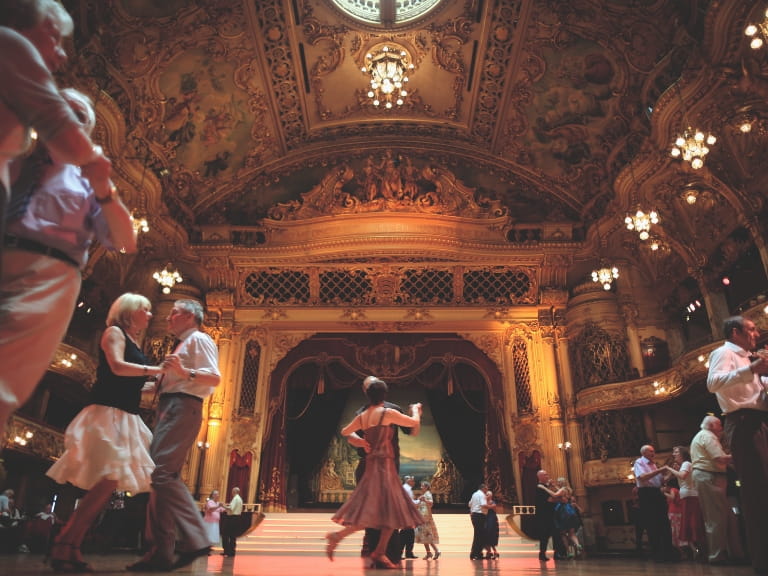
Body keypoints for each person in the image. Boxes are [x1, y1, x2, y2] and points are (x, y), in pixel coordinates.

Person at [0, 0, 115, 437]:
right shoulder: (11, 46)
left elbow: (119, 237)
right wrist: (93, 160)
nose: (62, 55)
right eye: (53, 38)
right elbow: (58, 127)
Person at [45, 292, 162, 571]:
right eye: (144, 310)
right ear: (129, 312)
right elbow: (117, 368)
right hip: (106, 414)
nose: (150, 315)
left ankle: (70, 544)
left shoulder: (133, 340)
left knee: (106, 486)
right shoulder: (114, 333)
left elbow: (133, 384)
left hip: (125, 416)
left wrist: (158, 385)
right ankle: (66, 541)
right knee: (105, 484)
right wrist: (155, 369)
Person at [128, 299, 221, 572]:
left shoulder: (199, 339)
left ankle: (196, 537)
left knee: (160, 475)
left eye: (175, 313)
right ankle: (160, 552)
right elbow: (159, 385)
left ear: (191, 316)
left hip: (183, 406)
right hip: (169, 406)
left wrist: (184, 371)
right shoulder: (181, 345)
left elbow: (213, 378)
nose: (168, 317)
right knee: (160, 480)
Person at [325, 378, 423, 569]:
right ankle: (341, 537)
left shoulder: (363, 415)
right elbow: (413, 424)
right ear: (384, 394)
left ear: (367, 393)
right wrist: (416, 411)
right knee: (387, 513)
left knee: (389, 514)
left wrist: (362, 441)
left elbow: (345, 431)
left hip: (374, 467)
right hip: (384, 468)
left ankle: (377, 551)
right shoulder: (387, 413)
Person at [707, 315, 768, 575]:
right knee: (757, 493)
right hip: (743, 422)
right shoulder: (724, 352)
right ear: (735, 332)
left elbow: (757, 393)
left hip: (759, 419)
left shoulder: (750, 358)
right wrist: (752, 370)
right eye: (751, 329)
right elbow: (713, 383)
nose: (756, 333)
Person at [690, 414, 733, 565]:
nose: (721, 428)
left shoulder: (701, 436)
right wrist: (738, 455)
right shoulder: (708, 436)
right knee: (716, 517)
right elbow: (719, 458)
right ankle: (718, 555)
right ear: (712, 426)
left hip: (705, 476)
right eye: (720, 425)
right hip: (710, 476)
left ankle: (719, 553)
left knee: (713, 516)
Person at [633, 444, 675, 562]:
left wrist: (671, 472)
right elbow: (642, 477)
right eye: (651, 451)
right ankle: (657, 553)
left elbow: (661, 480)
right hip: (646, 494)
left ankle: (667, 552)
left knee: (664, 522)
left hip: (656, 493)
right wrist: (661, 470)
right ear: (644, 453)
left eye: (653, 451)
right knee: (652, 523)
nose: (653, 453)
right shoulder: (639, 463)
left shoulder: (653, 464)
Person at [665, 445, 703, 560]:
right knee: (689, 524)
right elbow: (666, 479)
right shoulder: (683, 465)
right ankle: (697, 550)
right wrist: (673, 470)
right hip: (687, 496)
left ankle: (699, 550)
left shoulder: (686, 463)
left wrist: (669, 468)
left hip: (690, 496)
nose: (674, 454)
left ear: (682, 454)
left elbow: (682, 475)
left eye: (676, 452)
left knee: (692, 524)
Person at [535, 470, 565, 561]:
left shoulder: (546, 487)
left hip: (550, 514)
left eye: (547, 474)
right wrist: (560, 500)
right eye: (545, 475)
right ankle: (543, 554)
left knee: (555, 534)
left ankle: (557, 553)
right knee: (545, 535)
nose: (547, 476)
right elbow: (550, 500)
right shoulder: (539, 488)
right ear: (540, 477)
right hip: (544, 515)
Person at [415, 480, 440, 560]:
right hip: (422, 517)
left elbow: (431, 503)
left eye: (422, 486)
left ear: (426, 487)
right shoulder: (425, 494)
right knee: (424, 536)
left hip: (425, 518)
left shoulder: (428, 494)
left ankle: (436, 550)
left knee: (427, 535)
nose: (421, 487)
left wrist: (424, 500)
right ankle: (429, 553)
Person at [220, 487, 243, 557]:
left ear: (234, 492)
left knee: (225, 534)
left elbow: (231, 508)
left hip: (232, 518)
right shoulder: (239, 499)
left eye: (232, 491)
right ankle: (232, 552)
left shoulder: (235, 499)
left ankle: (226, 551)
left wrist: (223, 506)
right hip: (237, 518)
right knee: (233, 536)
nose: (231, 493)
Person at [399, 475, 418, 559]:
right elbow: (409, 502)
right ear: (408, 481)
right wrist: (418, 501)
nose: (414, 482)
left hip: (407, 513)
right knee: (405, 534)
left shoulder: (407, 488)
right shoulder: (406, 489)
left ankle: (408, 552)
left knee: (409, 533)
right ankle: (401, 553)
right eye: (412, 480)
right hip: (406, 514)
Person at [468, 481, 488, 560]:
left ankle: (476, 553)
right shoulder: (482, 495)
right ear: (483, 488)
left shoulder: (474, 494)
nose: (487, 489)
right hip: (479, 516)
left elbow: (469, 504)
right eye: (486, 488)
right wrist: (492, 506)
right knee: (479, 535)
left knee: (478, 535)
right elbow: (483, 504)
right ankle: (476, 554)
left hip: (474, 516)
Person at [484, 490, 499, 560]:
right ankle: (489, 552)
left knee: (491, 536)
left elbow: (492, 509)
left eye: (487, 494)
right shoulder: (484, 502)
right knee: (486, 537)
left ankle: (495, 552)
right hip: (486, 520)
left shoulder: (493, 503)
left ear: (490, 496)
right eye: (486, 494)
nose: (486, 495)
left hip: (491, 521)